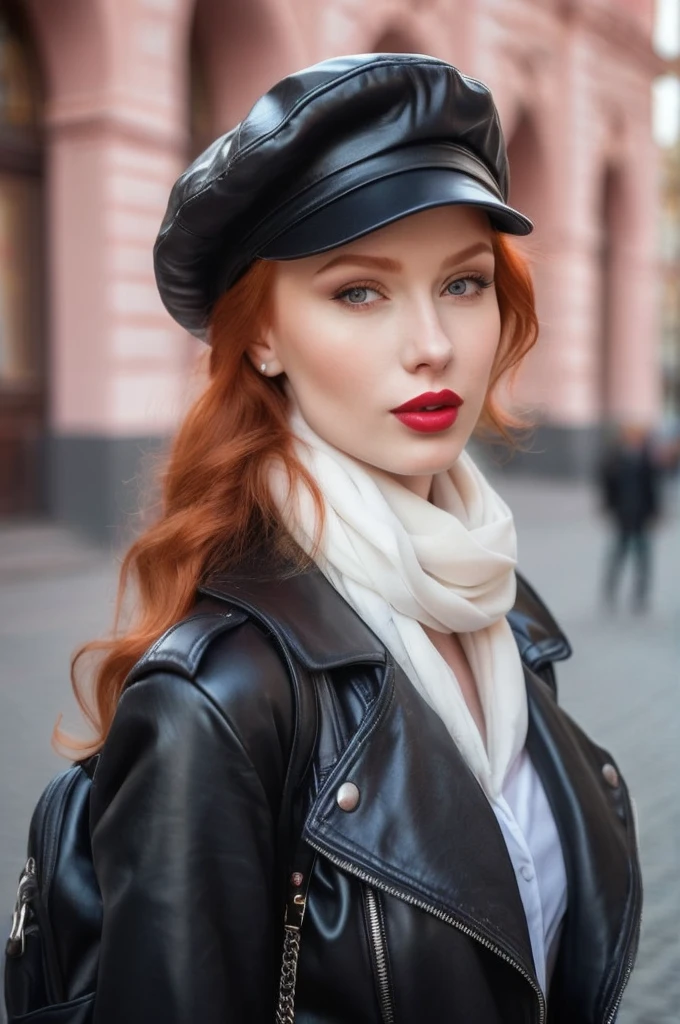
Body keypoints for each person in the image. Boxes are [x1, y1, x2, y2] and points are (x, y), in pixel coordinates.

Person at [68, 55, 640, 1023]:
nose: (430, 342)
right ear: (262, 337)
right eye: (358, 292)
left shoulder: (499, 611)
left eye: (461, 283)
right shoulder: (216, 700)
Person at [600, 422, 661, 612]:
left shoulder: (646, 460)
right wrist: (609, 507)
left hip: (641, 516)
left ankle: (640, 594)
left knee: (643, 558)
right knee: (618, 555)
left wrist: (655, 511)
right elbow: (607, 486)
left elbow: (653, 489)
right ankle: (610, 590)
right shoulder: (615, 459)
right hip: (623, 516)